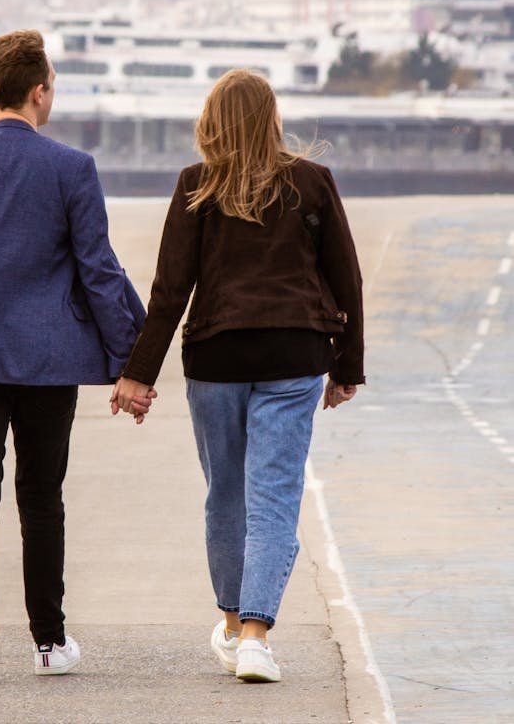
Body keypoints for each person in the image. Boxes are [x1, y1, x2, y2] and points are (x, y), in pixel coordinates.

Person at [0, 29, 151, 684]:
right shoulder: (72, 167)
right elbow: (99, 272)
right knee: (42, 496)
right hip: (47, 353)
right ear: (40, 91)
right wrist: (131, 362)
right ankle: (49, 641)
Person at [110, 69, 364, 683]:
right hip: (294, 354)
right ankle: (254, 638)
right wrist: (346, 368)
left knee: (225, 493)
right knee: (272, 495)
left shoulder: (197, 185)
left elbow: (171, 289)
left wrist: (137, 376)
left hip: (217, 360)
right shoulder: (311, 182)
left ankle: (231, 624)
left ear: (212, 120)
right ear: (271, 117)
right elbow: (346, 279)